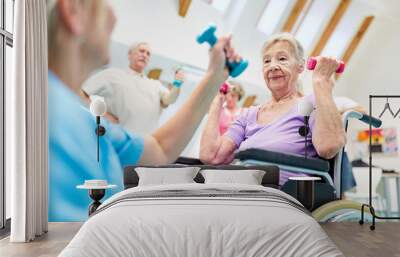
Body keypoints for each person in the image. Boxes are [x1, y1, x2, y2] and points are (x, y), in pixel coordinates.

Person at [47, 0, 242, 221]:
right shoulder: (53, 118)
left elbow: (160, 147)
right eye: (104, 4)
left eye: (148, 52)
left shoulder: (102, 132)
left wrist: (214, 76)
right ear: (73, 11)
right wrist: (100, 113)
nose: (115, 17)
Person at [200, 33, 346, 188]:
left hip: (279, 196)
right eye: (267, 61)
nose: (273, 66)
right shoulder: (249, 115)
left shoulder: (309, 103)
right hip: (240, 190)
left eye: (282, 59)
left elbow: (329, 146)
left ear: (300, 66)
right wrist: (217, 101)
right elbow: (212, 156)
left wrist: (321, 83)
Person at [80, 41, 185, 136]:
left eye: (148, 54)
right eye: (141, 51)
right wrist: (103, 114)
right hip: (116, 141)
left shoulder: (155, 85)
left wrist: (177, 84)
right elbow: (81, 93)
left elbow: (170, 99)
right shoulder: (112, 74)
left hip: (145, 147)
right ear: (130, 55)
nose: (144, 55)